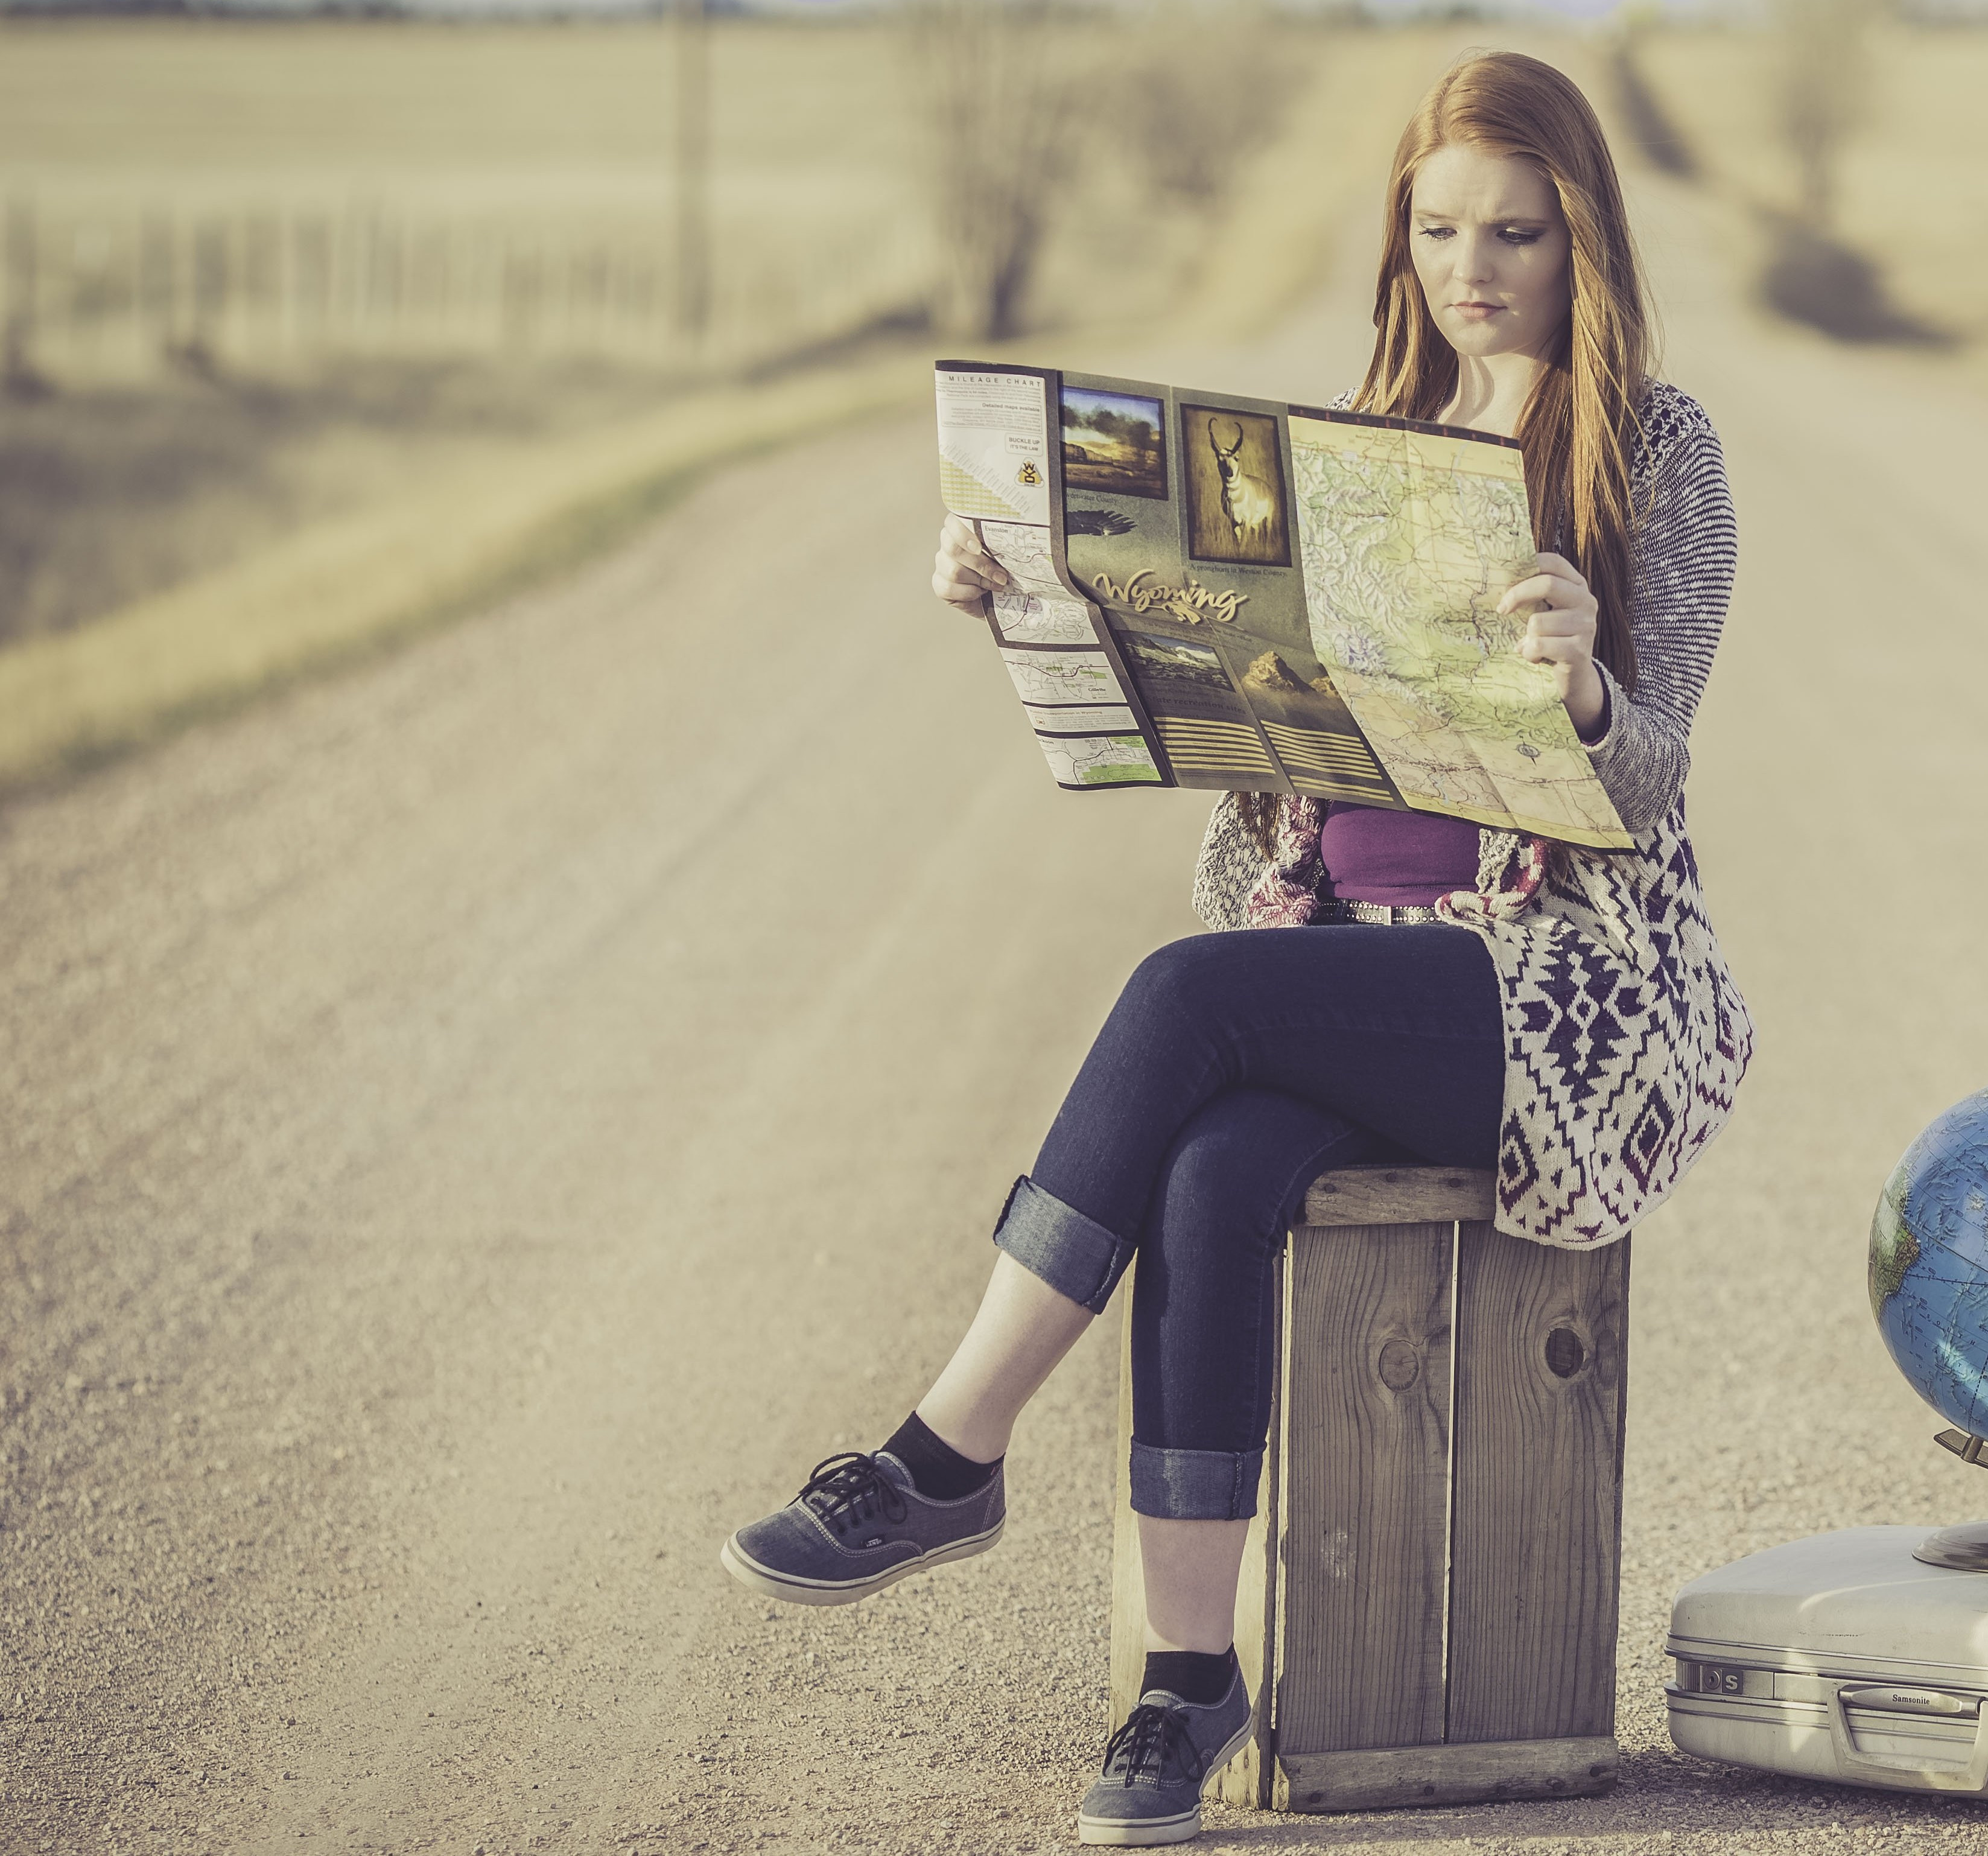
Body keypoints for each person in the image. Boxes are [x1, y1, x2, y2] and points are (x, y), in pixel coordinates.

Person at [716, 51, 1749, 1850]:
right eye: (1438, 229)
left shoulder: (1657, 451)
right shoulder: (1357, 441)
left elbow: (1657, 774)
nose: (1474, 266)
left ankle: (947, 1449)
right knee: (1211, 1164)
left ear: (1582, 237)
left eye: (1515, 229)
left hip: (1555, 995)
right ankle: (1188, 1683)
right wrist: (1025, 587)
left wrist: (1588, 680)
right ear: (1400, 239)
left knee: (1181, 995)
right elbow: (1210, 673)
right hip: (1339, 947)